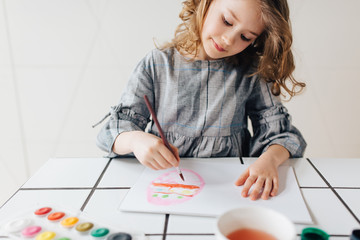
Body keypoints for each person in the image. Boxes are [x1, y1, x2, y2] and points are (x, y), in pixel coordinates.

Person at [95, 0, 307, 200]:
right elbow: (113, 131)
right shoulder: (156, 64)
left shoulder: (250, 72)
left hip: (229, 190)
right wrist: (135, 140)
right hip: (164, 186)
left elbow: (281, 136)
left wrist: (269, 160)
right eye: (227, 21)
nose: (228, 40)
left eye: (246, 37)